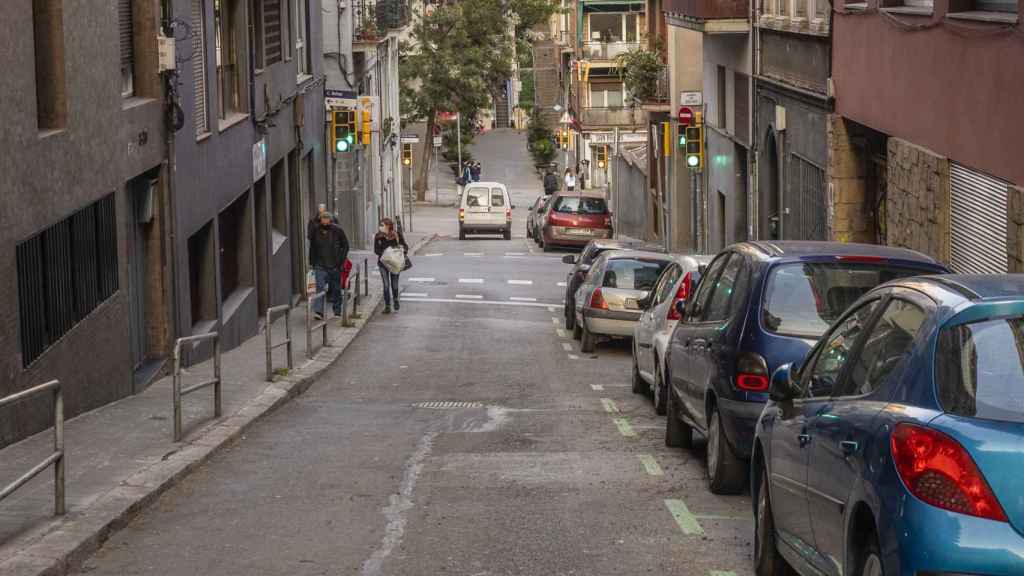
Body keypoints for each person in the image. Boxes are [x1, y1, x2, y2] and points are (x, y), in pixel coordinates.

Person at [308, 211, 349, 320]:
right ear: (320, 219)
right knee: (320, 287)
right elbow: (312, 247)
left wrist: (340, 261)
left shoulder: (338, 230)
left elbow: (345, 246)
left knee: (336, 288)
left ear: (330, 219)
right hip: (320, 265)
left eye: (327, 218)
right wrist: (312, 262)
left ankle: (337, 311)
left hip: (335, 265)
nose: (325, 220)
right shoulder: (315, 231)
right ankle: (318, 311)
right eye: (323, 218)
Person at [374, 218, 409, 314]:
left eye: (383, 225)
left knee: (394, 284)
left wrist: (401, 251)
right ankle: (387, 306)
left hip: (395, 263)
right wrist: (385, 254)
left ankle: (396, 299)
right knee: (386, 285)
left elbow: (405, 246)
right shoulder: (378, 236)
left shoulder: (396, 235)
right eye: (380, 225)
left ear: (389, 226)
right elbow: (376, 250)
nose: (381, 227)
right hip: (383, 263)